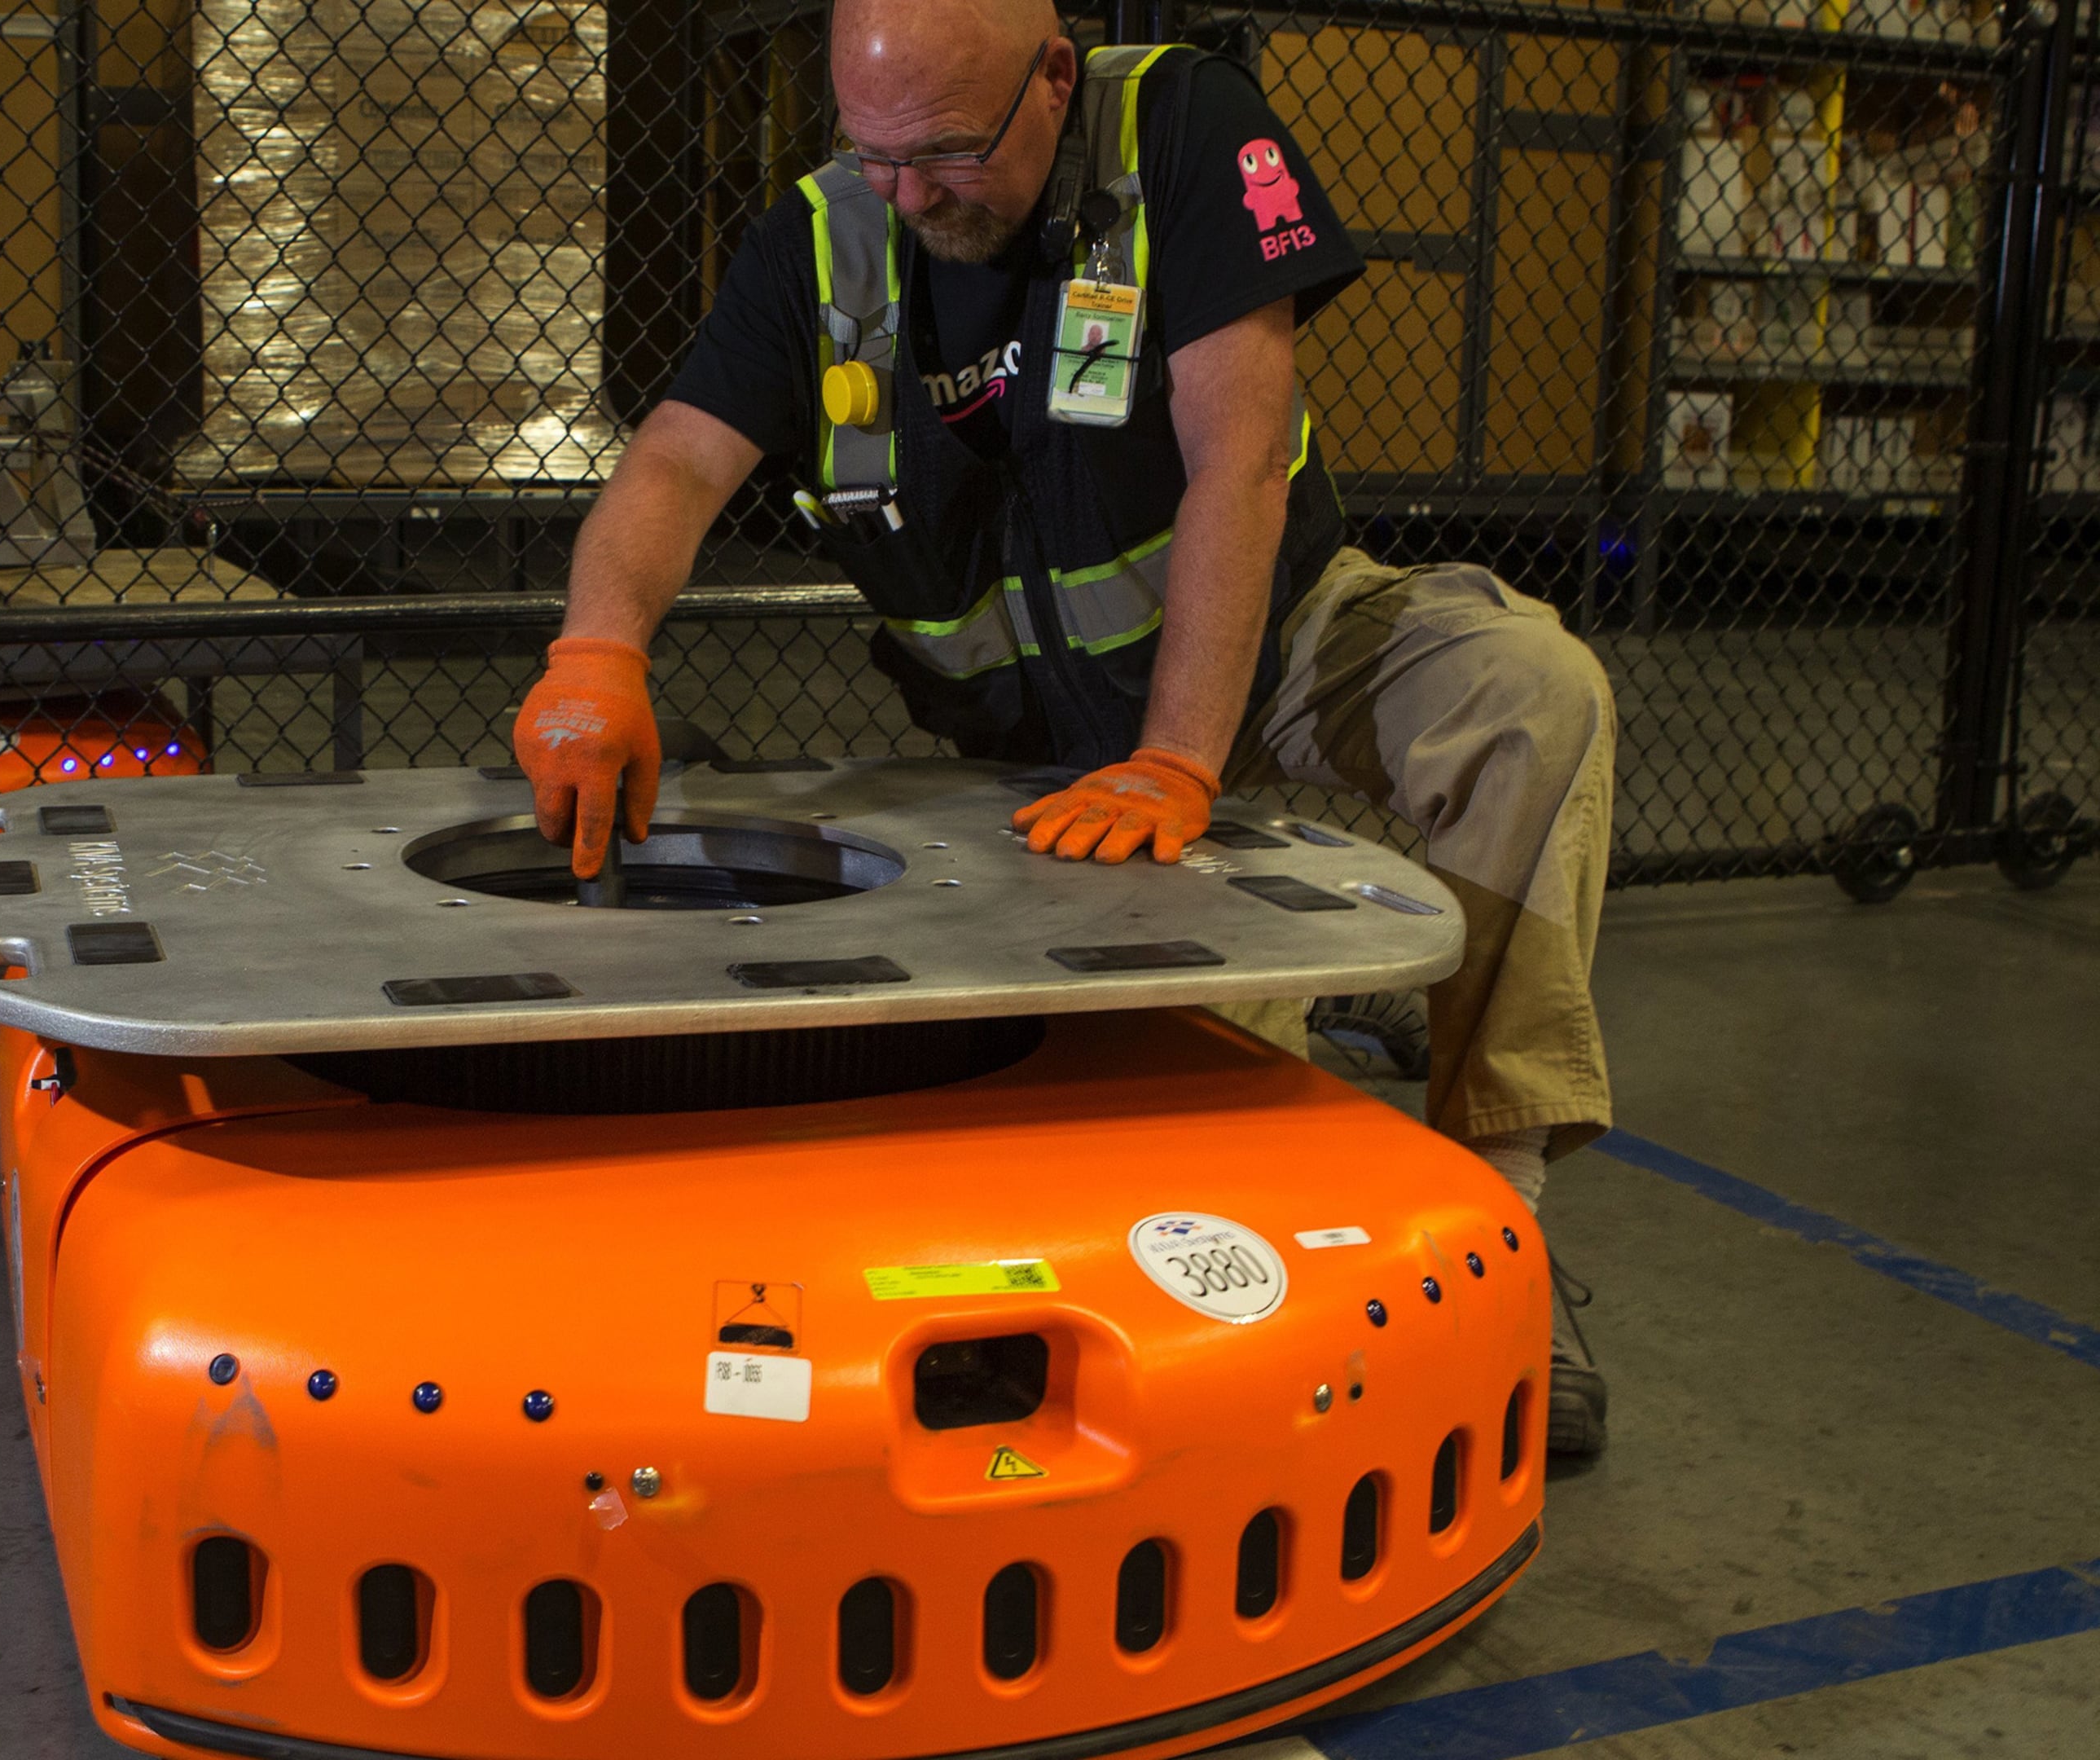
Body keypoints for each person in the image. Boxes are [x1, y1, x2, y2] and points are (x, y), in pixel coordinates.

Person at [510, 0, 1619, 1454]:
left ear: (1053, 76)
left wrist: (1176, 757)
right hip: (1019, 756)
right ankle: (1268, 1162)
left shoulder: (1185, 133)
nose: (911, 195)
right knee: (1208, 1076)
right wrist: (597, 648)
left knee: (1531, 695)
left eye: (952, 154)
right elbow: (673, 459)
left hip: (1276, 641)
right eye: (875, 153)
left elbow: (1238, 464)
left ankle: (1502, 1230)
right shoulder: (827, 236)